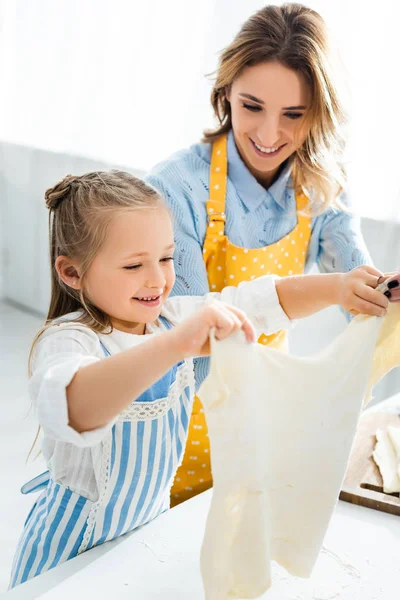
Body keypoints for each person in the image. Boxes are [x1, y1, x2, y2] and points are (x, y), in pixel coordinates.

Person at [9, 170, 393, 587]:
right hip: (67, 557)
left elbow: (261, 301)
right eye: (134, 265)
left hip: (138, 543)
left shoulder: (170, 320)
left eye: (166, 257)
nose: (157, 279)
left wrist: (339, 286)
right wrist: (177, 345)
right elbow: (74, 407)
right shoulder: (68, 341)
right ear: (72, 273)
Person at [146, 3, 381, 505]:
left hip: (265, 427)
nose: (270, 135)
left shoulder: (322, 186)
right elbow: (192, 328)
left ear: (318, 112)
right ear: (224, 91)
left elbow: (357, 285)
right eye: (252, 106)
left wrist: (381, 294)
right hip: (180, 429)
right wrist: (331, 288)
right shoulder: (174, 188)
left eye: (294, 115)